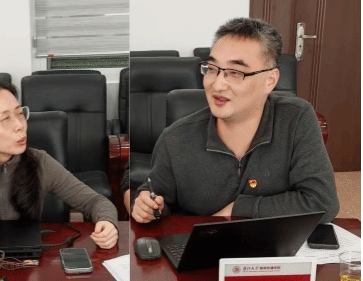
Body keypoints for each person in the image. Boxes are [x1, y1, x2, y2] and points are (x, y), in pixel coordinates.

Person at [131, 18, 337, 224]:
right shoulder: (175, 138)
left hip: (276, 241)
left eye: (236, 73)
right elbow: (156, 202)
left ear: (270, 80)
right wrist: (147, 208)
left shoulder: (296, 118)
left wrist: (238, 209)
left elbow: (322, 202)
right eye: (212, 69)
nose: (217, 85)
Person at [0, 80, 118, 249]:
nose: (20, 125)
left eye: (19, 114)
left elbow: (95, 201)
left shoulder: (40, 162)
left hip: (28, 261)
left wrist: (107, 222)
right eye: (5, 119)